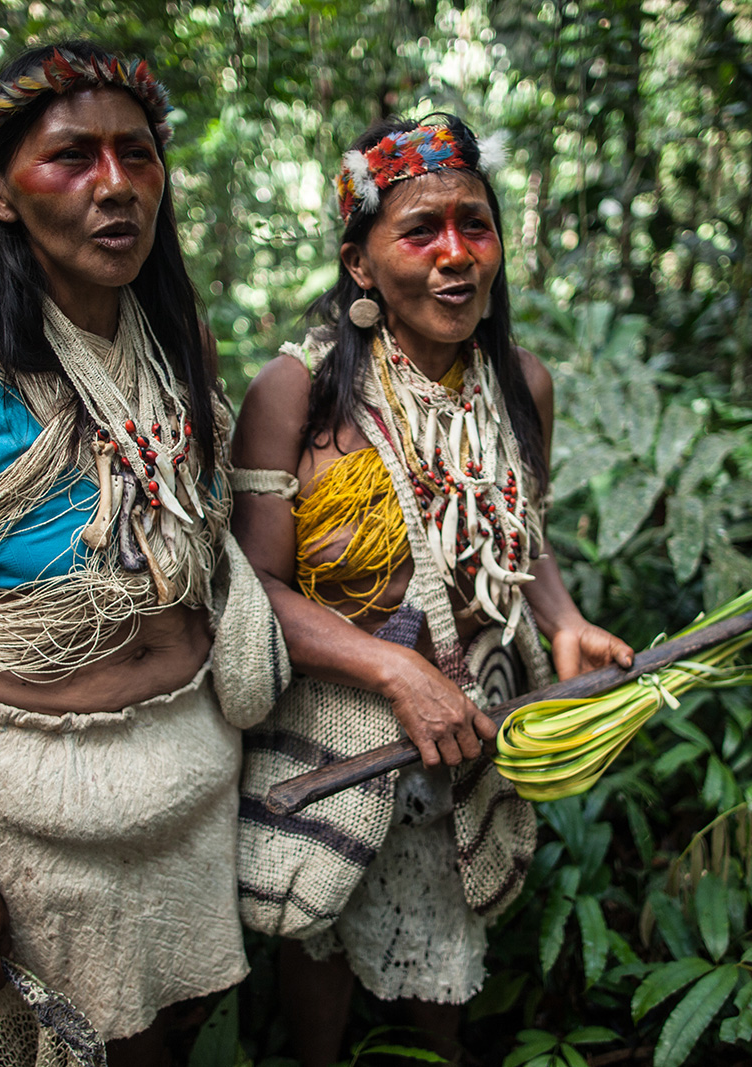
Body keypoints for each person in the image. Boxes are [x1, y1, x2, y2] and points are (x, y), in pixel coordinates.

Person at [0, 41, 286, 1064]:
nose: (115, 186)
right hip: (37, 819)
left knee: (166, 1036)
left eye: (136, 155)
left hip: (189, 786)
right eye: (70, 159)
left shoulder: (177, 343)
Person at [230, 115, 633, 1065]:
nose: (457, 254)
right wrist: (390, 671)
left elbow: (519, 536)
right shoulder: (296, 394)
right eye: (420, 230)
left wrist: (566, 622)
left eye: (475, 225)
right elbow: (253, 589)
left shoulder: (519, 384)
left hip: (468, 732)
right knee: (316, 937)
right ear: (361, 265)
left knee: (445, 959)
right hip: (331, 735)